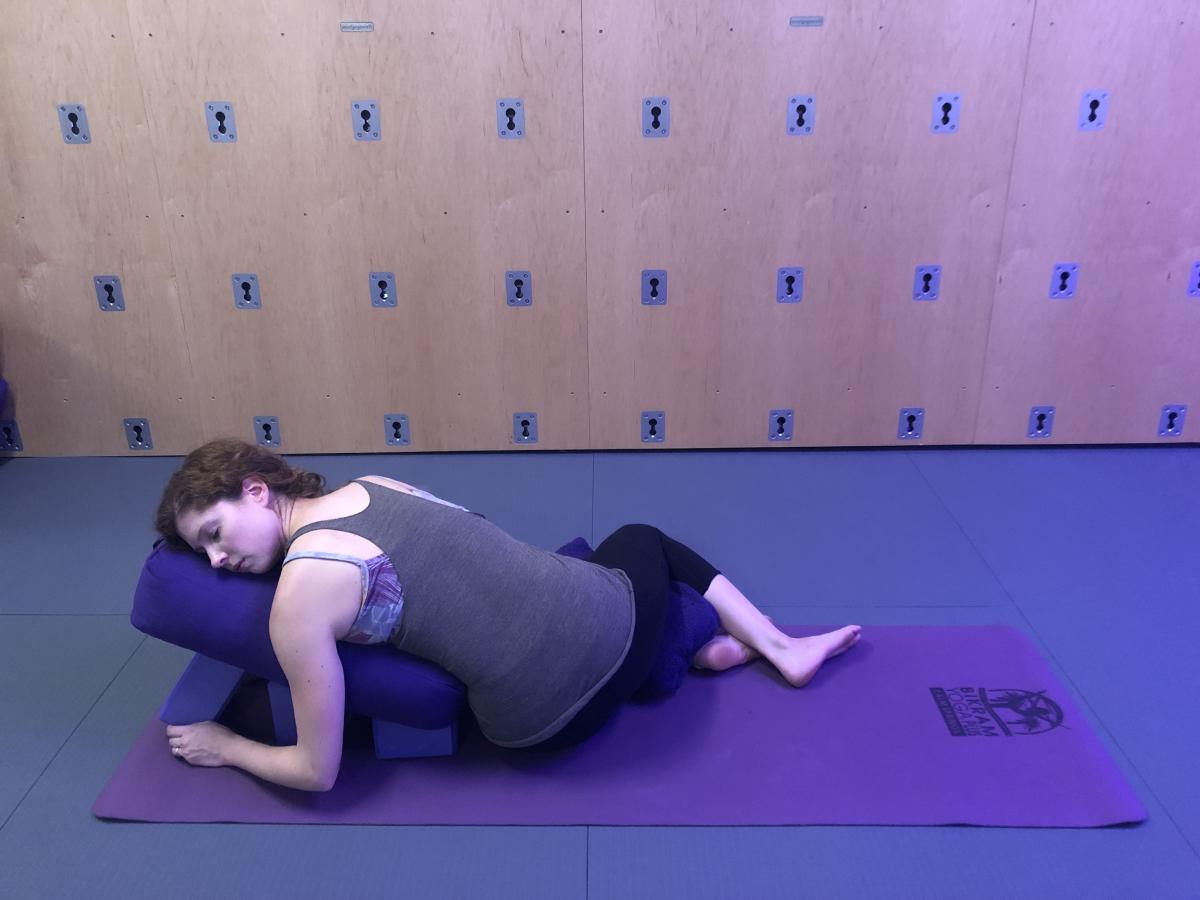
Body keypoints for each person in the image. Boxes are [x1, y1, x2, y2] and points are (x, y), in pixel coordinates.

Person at [155, 439, 861, 792]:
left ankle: (695, 648)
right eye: (201, 551)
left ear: (254, 492)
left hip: (533, 730)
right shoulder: (374, 483)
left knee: (609, 571)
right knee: (638, 539)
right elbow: (320, 768)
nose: (216, 562)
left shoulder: (299, 598)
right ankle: (768, 647)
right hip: (574, 681)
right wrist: (225, 745)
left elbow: (314, 771)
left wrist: (224, 745)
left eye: (214, 533)